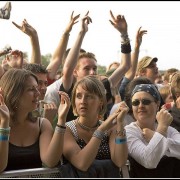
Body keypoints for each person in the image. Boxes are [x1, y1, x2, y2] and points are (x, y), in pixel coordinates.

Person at [60, 10, 131, 122]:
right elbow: (67, 69)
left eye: (94, 68)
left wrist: (123, 34)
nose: (92, 72)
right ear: (75, 72)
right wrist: (82, 33)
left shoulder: (102, 88)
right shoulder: (69, 89)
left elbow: (125, 66)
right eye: (86, 69)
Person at [0, 68, 70, 172]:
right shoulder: (2, 123)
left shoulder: (42, 124)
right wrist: (4, 125)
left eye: (36, 88)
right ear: (14, 92)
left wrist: (61, 119)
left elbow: (50, 161)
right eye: (31, 89)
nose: (38, 93)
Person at [60, 75, 129, 178]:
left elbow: (120, 161)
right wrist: (100, 130)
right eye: (79, 96)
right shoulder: (67, 129)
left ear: (101, 100)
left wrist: (120, 124)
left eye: (89, 96)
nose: (83, 101)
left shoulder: (110, 129)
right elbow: (82, 164)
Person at [125, 83, 180, 178]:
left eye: (146, 101)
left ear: (157, 104)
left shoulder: (170, 130)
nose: (140, 106)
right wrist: (161, 131)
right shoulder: (129, 131)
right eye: (135, 103)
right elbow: (149, 161)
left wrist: (154, 135)